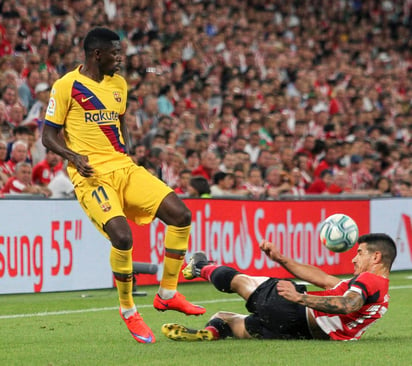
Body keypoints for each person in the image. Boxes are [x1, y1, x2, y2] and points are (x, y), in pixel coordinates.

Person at [41, 27, 205, 345]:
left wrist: (125, 148)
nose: (120, 59)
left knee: (181, 215)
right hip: (91, 175)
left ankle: (168, 293)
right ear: (96, 54)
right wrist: (73, 156)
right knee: (122, 236)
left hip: (124, 168)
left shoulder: (119, 84)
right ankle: (129, 310)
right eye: (115, 53)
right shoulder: (66, 86)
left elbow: (120, 119)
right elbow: (48, 135)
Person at [162, 233, 397, 342]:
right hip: (303, 333)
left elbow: (347, 305)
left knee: (242, 281)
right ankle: (210, 333)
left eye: (360, 253)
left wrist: (299, 298)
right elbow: (324, 280)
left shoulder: (370, 279)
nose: (354, 259)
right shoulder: (379, 293)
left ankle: (200, 266)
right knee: (227, 319)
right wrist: (282, 259)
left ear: (376, 257)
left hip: (296, 310)